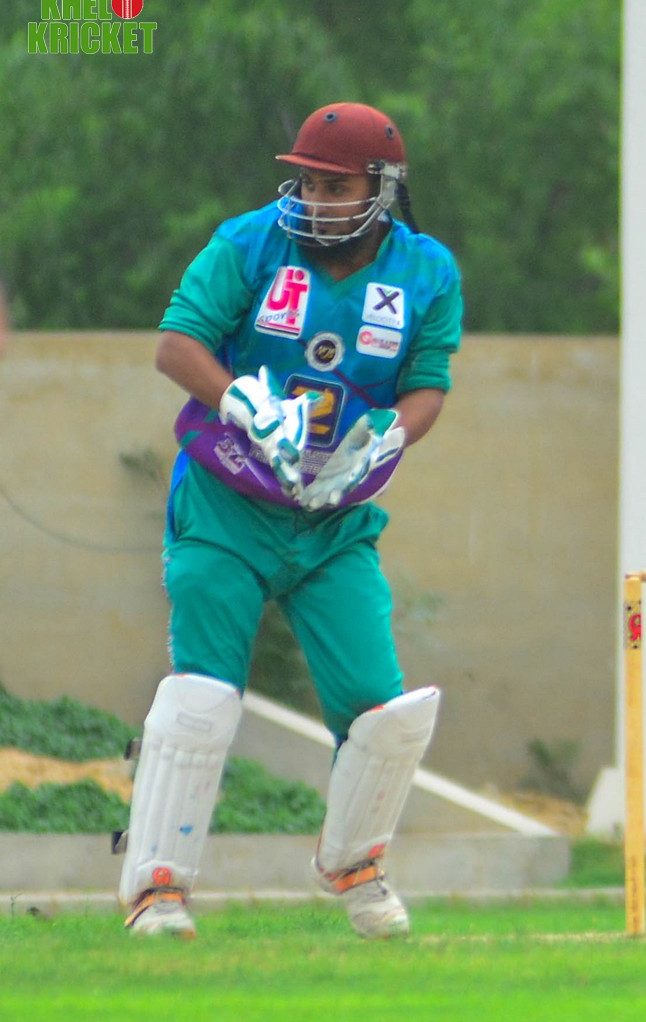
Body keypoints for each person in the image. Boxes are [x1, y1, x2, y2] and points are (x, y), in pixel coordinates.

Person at [117, 103, 464, 939]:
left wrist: (390, 434)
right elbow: (176, 344)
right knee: (202, 694)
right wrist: (241, 398)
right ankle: (158, 889)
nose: (315, 199)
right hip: (228, 499)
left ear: (383, 188)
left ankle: (356, 867)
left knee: (381, 712)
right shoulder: (249, 242)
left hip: (334, 519)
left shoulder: (427, 271)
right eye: (307, 181)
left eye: (335, 186)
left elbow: (428, 383)